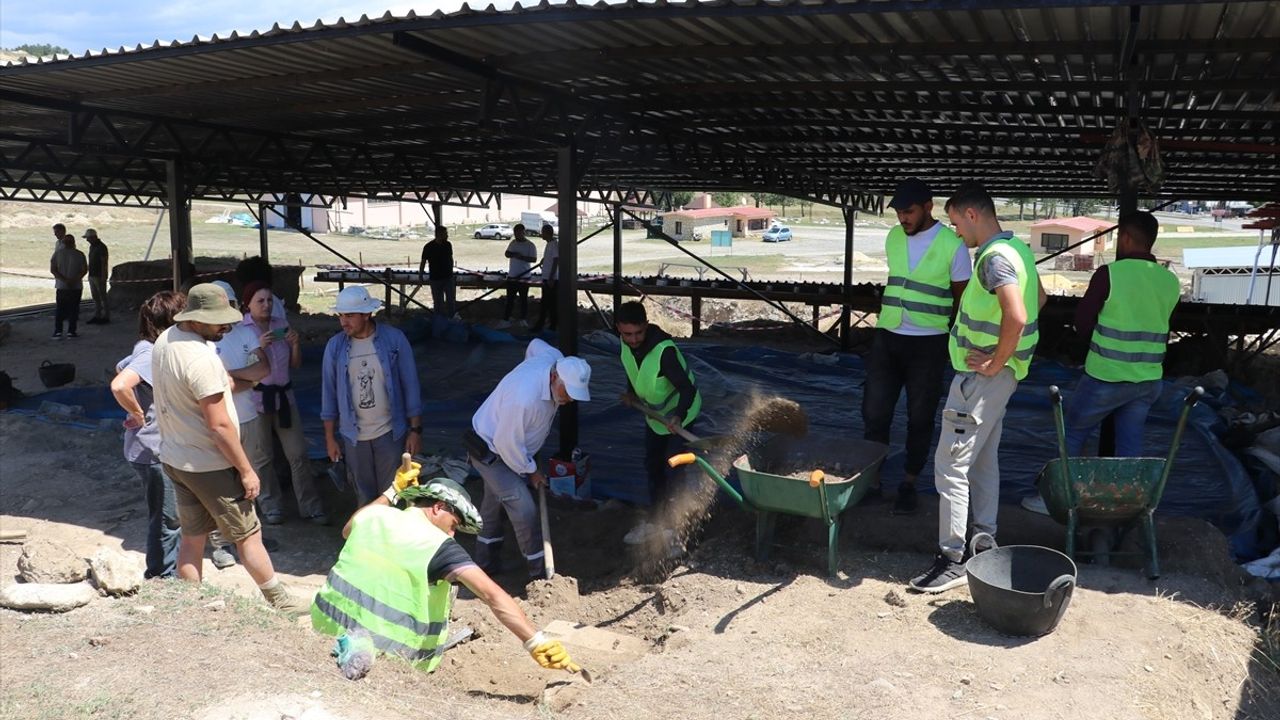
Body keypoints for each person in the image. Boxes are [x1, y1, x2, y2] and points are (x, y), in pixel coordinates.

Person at [909, 183, 1046, 593]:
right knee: (983, 460)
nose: (955, 233)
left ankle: (951, 558)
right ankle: (983, 541)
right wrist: (1007, 362)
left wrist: (995, 360)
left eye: (955, 223)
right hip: (1002, 378)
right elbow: (1038, 296)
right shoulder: (1019, 250)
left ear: (972, 215)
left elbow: (1017, 314)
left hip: (982, 379)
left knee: (950, 464)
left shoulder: (992, 259)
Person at [311, 469, 580, 677]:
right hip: (389, 655)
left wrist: (393, 491)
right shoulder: (438, 546)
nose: (453, 533)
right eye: (454, 524)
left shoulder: (374, 516)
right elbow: (492, 595)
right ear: (438, 507)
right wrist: (534, 641)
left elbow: (347, 529)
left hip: (324, 629)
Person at [150, 283, 307, 612]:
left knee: (193, 536)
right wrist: (246, 469)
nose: (227, 326)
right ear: (196, 319)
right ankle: (280, 600)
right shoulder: (201, 359)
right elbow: (219, 425)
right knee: (248, 533)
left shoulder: (166, 341)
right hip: (211, 463)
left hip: (177, 457)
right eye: (219, 320)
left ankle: (189, 601)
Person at [1023, 212, 1181, 514]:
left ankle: (1058, 501)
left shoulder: (1110, 275)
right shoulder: (1169, 281)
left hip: (1106, 376)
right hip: (1147, 381)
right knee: (1129, 446)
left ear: (1125, 238)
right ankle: (1126, 506)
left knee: (1074, 431)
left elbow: (1082, 324)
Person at [862, 178, 970, 515]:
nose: (902, 219)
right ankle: (872, 482)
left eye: (908, 212)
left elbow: (961, 298)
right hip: (888, 337)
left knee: (920, 417)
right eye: (898, 213)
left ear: (928, 207)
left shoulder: (954, 246)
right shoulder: (894, 236)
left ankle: (908, 482)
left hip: (928, 344)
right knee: (874, 411)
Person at [465, 339, 592, 579]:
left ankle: (484, 563)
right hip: (493, 451)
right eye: (568, 392)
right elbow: (506, 444)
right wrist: (531, 470)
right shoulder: (523, 399)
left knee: (493, 504)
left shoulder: (552, 356)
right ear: (555, 377)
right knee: (523, 509)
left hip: (512, 447)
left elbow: (534, 344)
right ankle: (539, 574)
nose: (570, 400)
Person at [321, 286, 423, 504]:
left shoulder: (394, 340)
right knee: (364, 497)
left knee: (392, 494)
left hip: (389, 432)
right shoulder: (335, 347)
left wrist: (415, 430)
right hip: (354, 436)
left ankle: (391, 537)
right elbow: (328, 394)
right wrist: (329, 438)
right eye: (340, 315)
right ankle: (368, 537)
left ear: (367, 314)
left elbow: (410, 385)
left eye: (349, 316)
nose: (343, 322)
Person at [109, 290, 186, 579]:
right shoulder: (151, 352)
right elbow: (120, 384)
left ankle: (166, 569)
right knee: (167, 517)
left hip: (148, 449)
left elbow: (120, 364)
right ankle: (162, 575)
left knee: (167, 514)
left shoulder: (145, 346)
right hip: (152, 450)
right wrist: (139, 413)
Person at [239, 281, 328, 525]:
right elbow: (240, 367)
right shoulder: (241, 331)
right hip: (257, 399)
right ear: (248, 305)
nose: (266, 305)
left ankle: (310, 507)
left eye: (269, 300)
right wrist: (260, 348)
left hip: (285, 398)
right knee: (262, 456)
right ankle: (271, 506)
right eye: (260, 301)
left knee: (298, 454)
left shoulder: (281, 325)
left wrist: (295, 345)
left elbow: (294, 365)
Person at [614, 301, 701, 547]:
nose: (633, 339)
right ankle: (656, 521)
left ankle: (676, 530)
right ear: (619, 329)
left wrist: (678, 416)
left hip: (679, 414)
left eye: (638, 333)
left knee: (674, 467)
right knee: (653, 464)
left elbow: (687, 389)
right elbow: (633, 370)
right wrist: (631, 393)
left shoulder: (665, 352)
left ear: (646, 325)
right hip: (655, 417)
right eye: (627, 334)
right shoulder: (625, 344)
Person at [497, 224, 537, 329]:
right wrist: (513, 254)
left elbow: (533, 259)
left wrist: (522, 257)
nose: (516, 235)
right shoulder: (513, 243)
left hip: (524, 276)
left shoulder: (530, 245)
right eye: (515, 233)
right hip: (512, 276)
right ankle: (506, 320)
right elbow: (507, 253)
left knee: (523, 299)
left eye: (519, 233)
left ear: (523, 232)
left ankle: (522, 320)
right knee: (510, 299)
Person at [50, 232, 88, 339]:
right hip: (76, 287)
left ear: (63, 243)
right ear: (74, 243)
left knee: (60, 308)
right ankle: (71, 331)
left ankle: (58, 331)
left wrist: (64, 280)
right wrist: (74, 280)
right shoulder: (80, 254)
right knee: (74, 309)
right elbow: (84, 270)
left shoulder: (57, 254)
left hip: (61, 286)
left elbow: (53, 269)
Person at [418, 225, 456, 318]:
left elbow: (450, 259)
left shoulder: (448, 245)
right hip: (435, 279)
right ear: (439, 234)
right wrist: (420, 275)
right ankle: (439, 321)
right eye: (445, 234)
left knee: (450, 301)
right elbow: (423, 262)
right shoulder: (428, 247)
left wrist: (451, 272)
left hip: (448, 277)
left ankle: (451, 320)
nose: (447, 235)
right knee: (438, 303)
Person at [531, 224, 559, 332]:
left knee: (549, 303)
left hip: (550, 279)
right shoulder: (550, 244)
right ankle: (547, 324)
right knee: (546, 303)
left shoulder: (553, 244)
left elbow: (556, 260)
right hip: (547, 277)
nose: (541, 234)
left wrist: (552, 277)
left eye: (543, 232)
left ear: (547, 233)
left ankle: (549, 325)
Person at [85, 228, 111, 324]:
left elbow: (104, 262)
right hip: (92, 274)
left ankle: (106, 316)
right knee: (95, 296)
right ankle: (98, 315)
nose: (87, 240)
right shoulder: (92, 247)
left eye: (88, 238)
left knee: (102, 296)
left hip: (99, 275)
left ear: (93, 237)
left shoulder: (101, 247)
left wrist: (104, 275)